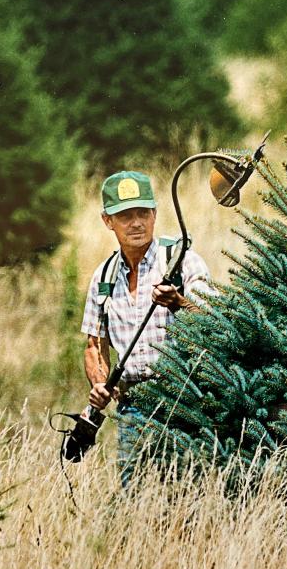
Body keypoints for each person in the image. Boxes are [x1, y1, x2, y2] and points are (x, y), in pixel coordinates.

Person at [80, 170, 212, 481]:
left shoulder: (181, 261)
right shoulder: (103, 277)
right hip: (132, 409)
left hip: (183, 401)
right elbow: (94, 345)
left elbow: (214, 322)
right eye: (125, 215)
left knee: (188, 492)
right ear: (108, 221)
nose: (136, 222)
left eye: (143, 212)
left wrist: (178, 302)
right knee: (135, 499)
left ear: (154, 214)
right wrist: (100, 385)